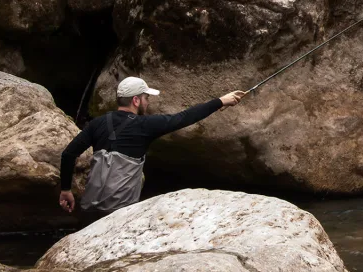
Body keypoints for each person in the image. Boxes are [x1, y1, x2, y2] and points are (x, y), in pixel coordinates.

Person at [59, 76, 245, 214]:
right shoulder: (145, 125)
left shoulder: (97, 123)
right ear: (136, 100)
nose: (147, 103)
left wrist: (66, 189)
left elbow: (68, 154)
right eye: (146, 98)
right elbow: (185, 117)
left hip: (89, 208)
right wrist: (221, 101)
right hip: (119, 213)